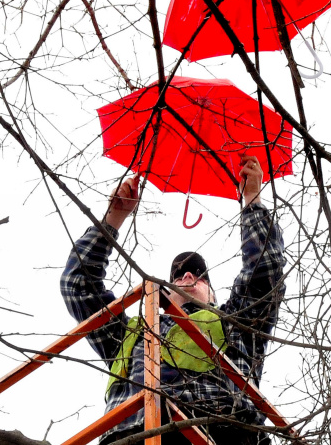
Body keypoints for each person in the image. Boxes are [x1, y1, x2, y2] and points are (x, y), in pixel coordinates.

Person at [60, 155, 285, 445]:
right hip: (131, 436)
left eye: (199, 275)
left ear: (214, 296)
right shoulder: (131, 334)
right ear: (165, 292)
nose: (188, 276)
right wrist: (114, 218)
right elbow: (77, 284)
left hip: (219, 434)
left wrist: (252, 198)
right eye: (178, 276)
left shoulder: (235, 324)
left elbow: (264, 272)